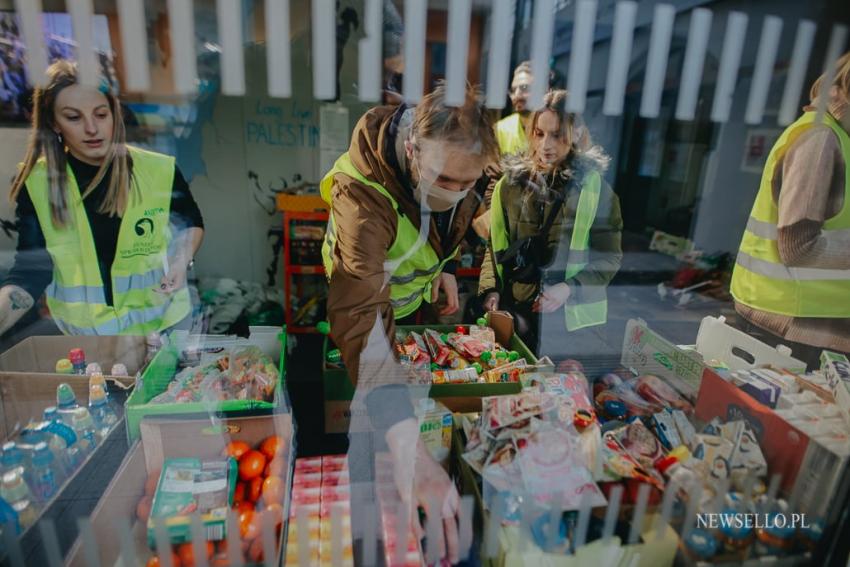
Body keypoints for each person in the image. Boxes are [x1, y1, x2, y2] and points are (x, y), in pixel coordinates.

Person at [321, 83, 498, 564]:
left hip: (409, 301)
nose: (459, 193)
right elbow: (359, 312)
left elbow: (447, 221)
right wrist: (409, 451)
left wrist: (443, 270)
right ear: (411, 148)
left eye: (470, 182)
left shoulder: (455, 168)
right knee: (372, 418)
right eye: (446, 179)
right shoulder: (360, 192)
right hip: (363, 310)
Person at [0, 60, 204, 337]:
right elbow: (29, 272)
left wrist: (180, 261)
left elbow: (190, 221)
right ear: (54, 123)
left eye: (100, 114)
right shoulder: (37, 184)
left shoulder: (158, 170)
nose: (92, 128)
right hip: (87, 343)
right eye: (73, 117)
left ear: (114, 114)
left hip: (162, 330)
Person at [479, 89, 623, 357]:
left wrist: (569, 288)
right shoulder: (508, 187)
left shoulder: (596, 190)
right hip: (517, 312)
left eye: (557, 135)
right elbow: (494, 247)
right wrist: (490, 290)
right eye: (539, 133)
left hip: (569, 324)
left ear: (576, 134)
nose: (546, 145)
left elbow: (610, 258)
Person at [730, 51, 850, 368]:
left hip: (810, 329)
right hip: (791, 333)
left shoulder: (839, 138)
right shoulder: (821, 138)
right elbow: (799, 245)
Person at [495, 61, 534, 156]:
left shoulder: (555, 128)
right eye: (513, 90)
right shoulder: (500, 129)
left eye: (524, 88)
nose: (516, 95)